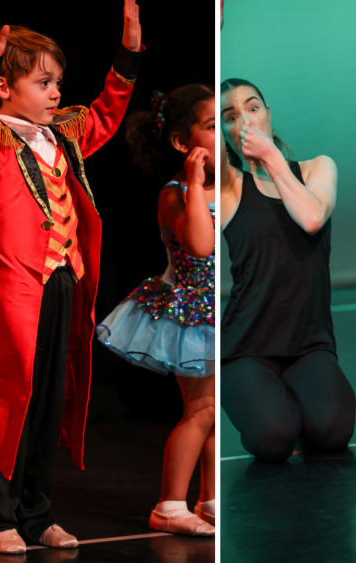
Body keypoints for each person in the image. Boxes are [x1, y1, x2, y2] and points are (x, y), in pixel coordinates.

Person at [0, 1, 143, 554]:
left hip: (63, 280)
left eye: (58, 81)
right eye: (43, 82)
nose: (56, 92)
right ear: (7, 89)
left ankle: (37, 514)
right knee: (8, 396)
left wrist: (128, 52)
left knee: (49, 400)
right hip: (15, 287)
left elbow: (106, 112)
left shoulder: (62, 134)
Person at [96, 84, 216, 535]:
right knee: (200, 409)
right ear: (183, 143)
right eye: (209, 126)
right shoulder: (175, 192)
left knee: (212, 408)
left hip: (218, 310)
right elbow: (201, 244)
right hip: (191, 313)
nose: (220, 133)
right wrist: (199, 183)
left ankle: (209, 499)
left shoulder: (220, 186)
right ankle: (169, 503)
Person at [220, 78, 356, 463]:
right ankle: (266, 406)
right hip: (247, 347)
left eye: (252, 108)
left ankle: (295, 405)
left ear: (268, 114)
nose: (244, 121)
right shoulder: (229, 186)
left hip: (309, 346)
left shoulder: (317, 168)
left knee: (333, 433)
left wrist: (272, 158)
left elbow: (311, 218)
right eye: (230, 117)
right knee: (274, 440)